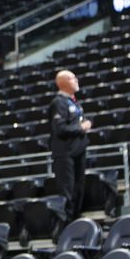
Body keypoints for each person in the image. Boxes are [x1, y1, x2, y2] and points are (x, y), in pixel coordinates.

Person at [49, 70, 91, 220]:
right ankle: (68, 225)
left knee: (79, 189)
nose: (77, 80)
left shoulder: (73, 101)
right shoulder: (59, 102)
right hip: (65, 153)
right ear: (64, 82)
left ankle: (76, 220)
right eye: (73, 78)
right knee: (68, 190)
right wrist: (81, 127)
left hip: (78, 150)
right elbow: (59, 129)